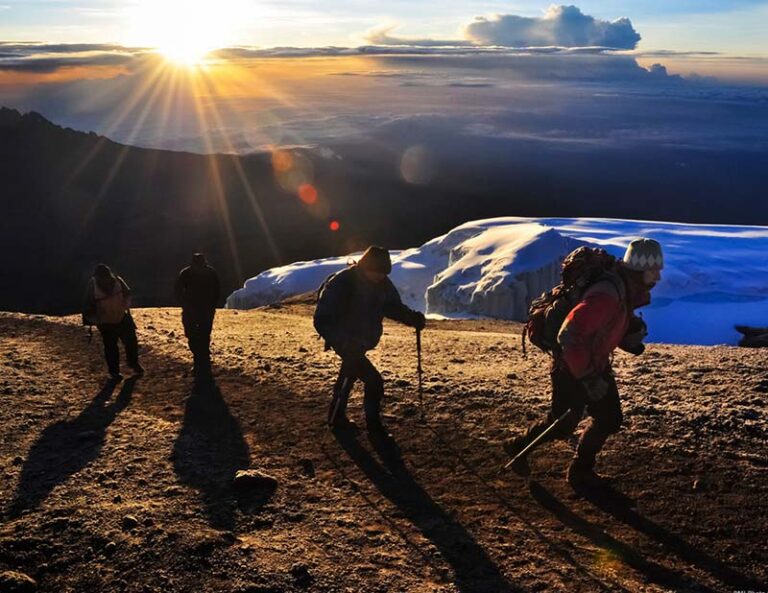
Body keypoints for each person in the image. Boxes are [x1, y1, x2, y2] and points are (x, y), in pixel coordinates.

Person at [505, 238, 663, 488]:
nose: (659, 277)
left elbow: (604, 325)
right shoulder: (608, 294)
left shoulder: (623, 289)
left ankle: (580, 471)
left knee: (608, 418)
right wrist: (588, 377)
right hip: (572, 366)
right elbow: (570, 334)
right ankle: (517, 447)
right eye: (655, 270)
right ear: (640, 270)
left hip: (593, 363)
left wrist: (628, 334)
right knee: (562, 422)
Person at [314, 246, 426, 439]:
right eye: (377, 273)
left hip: (361, 340)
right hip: (346, 341)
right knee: (373, 381)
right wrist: (343, 342)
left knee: (349, 373)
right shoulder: (343, 282)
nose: (381, 277)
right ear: (365, 267)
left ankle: (337, 418)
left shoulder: (381, 282)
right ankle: (374, 427)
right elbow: (322, 319)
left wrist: (412, 318)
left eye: (384, 274)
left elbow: (392, 306)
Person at [83, 264, 144, 382]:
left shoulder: (118, 281)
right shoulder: (93, 286)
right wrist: (95, 320)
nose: (103, 279)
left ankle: (133, 363)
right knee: (111, 347)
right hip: (105, 322)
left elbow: (127, 293)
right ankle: (114, 372)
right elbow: (87, 305)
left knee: (131, 342)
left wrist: (126, 304)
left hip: (121, 317)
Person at [175, 253, 220, 379]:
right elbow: (217, 290)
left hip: (191, 310)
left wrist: (184, 303)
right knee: (204, 335)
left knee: (192, 335)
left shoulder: (186, 272)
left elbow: (177, 290)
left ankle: (199, 360)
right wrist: (212, 305)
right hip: (205, 310)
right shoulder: (211, 272)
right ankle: (203, 361)